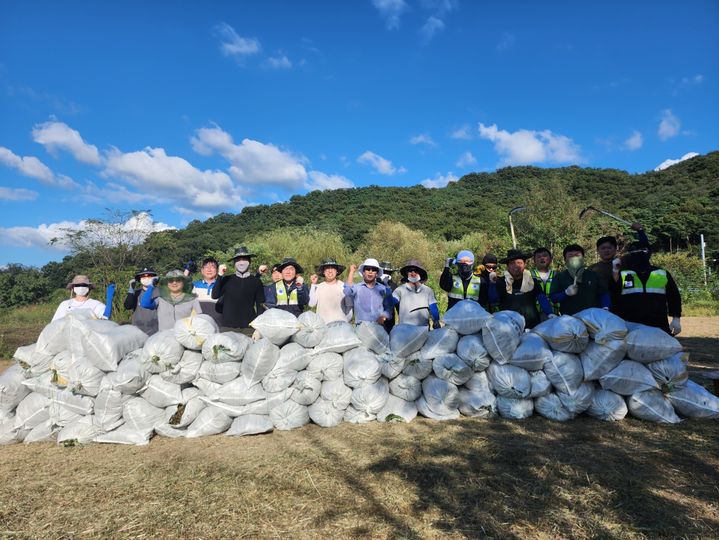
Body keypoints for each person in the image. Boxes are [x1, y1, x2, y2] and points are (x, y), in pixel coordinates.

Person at [610, 242, 682, 335]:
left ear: (649, 254)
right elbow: (613, 294)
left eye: (642, 252)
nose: (638, 256)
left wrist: (676, 318)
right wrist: (615, 270)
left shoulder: (662, 273)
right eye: (634, 252)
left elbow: (674, 297)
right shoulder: (624, 274)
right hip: (630, 326)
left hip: (658, 325)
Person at [487, 250, 552, 329]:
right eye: (512, 263)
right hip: (509, 327)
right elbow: (493, 299)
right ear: (507, 266)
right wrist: (492, 284)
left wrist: (550, 313)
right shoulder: (501, 282)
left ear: (524, 264)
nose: (516, 266)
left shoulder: (532, 281)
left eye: (519, 263)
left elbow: (542, 298)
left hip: (533, 326)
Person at [211, 246, 265, 335]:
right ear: (234, 263)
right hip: (227, 327)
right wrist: (220, 275)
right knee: (226, 349)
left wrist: (259, 328)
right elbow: (215, 295)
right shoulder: (227, 279)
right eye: (238, 260)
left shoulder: (256, 281)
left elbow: (260, 305)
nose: (241, 262)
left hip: (249, 328)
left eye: (244, 259)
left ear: (249, 262)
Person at [550, 244, 610, 315]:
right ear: (565, 260)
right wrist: (565, 293)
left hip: (592, 317)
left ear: (583, 258)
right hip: (569, 319)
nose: (574, 258)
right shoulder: (559, 277)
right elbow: (553, 298)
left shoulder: (594, 275)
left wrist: (605, 307)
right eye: (571, 256)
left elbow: (603, 293)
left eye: (577, 255)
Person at [344, 258, 393, 326]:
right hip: (361, 328)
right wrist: (351, 272)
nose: (370, 271)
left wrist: (384, 316)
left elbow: (389, 307)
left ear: (377, 273)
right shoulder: (357, 288)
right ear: (363, 272)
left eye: (373, 270)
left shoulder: (384, 289)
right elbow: (347, 291)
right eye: (367, 269)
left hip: (378, 329)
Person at [392, 259, 440, 328]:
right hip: (404, 330)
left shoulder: (428, 291)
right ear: (406, 273)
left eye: (416, 270)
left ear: (420, 273)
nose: (413, 273)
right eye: (410, 270)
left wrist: (436, 321)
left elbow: (433, 308)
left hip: (423, 330)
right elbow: (392, 301)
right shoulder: (400, 290)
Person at [309, 258, 352, 323]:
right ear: (323, 272)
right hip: (323, 326)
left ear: (337, 271)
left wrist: (345, 321)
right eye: (327, 268)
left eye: (332, 268)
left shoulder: (343, 286)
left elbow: (349, 307)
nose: (330, 271)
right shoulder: (319, 287)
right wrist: (313, 284)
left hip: (340, 326)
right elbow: (311, 304)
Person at [123, 267, 159, 335]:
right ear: (139, 279)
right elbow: (128, 306)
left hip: (156, 331)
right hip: (137, 331)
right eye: (143, 277)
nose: (146, 278)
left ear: (154, 278)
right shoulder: (136, 293)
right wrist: (131, 289)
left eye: (149, 276)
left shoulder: (160, 292)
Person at [191, 257, 223, 327]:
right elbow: (179, 285)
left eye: (212, 267)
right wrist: (187, 270)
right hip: (199, 325)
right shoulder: (195, 285)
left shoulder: (222, 286)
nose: (209, 270)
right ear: (202, 271)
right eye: (206, 267)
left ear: (217, 271)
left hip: (219, 324)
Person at [530, 247, 559, 316]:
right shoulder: (529, 275)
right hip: (535, 315)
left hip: (554, 314)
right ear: (534, 260)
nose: (542, 258)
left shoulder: (557, 275)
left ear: (550, 259)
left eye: (545, 256)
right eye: (539, 257)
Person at [378, 261, 399, 332]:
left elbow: (398, 305)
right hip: (374, 320)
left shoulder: (394, 286)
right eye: (384, 271)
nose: (386, 274)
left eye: (388, 272)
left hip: (389, 322)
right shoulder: (374, 284)